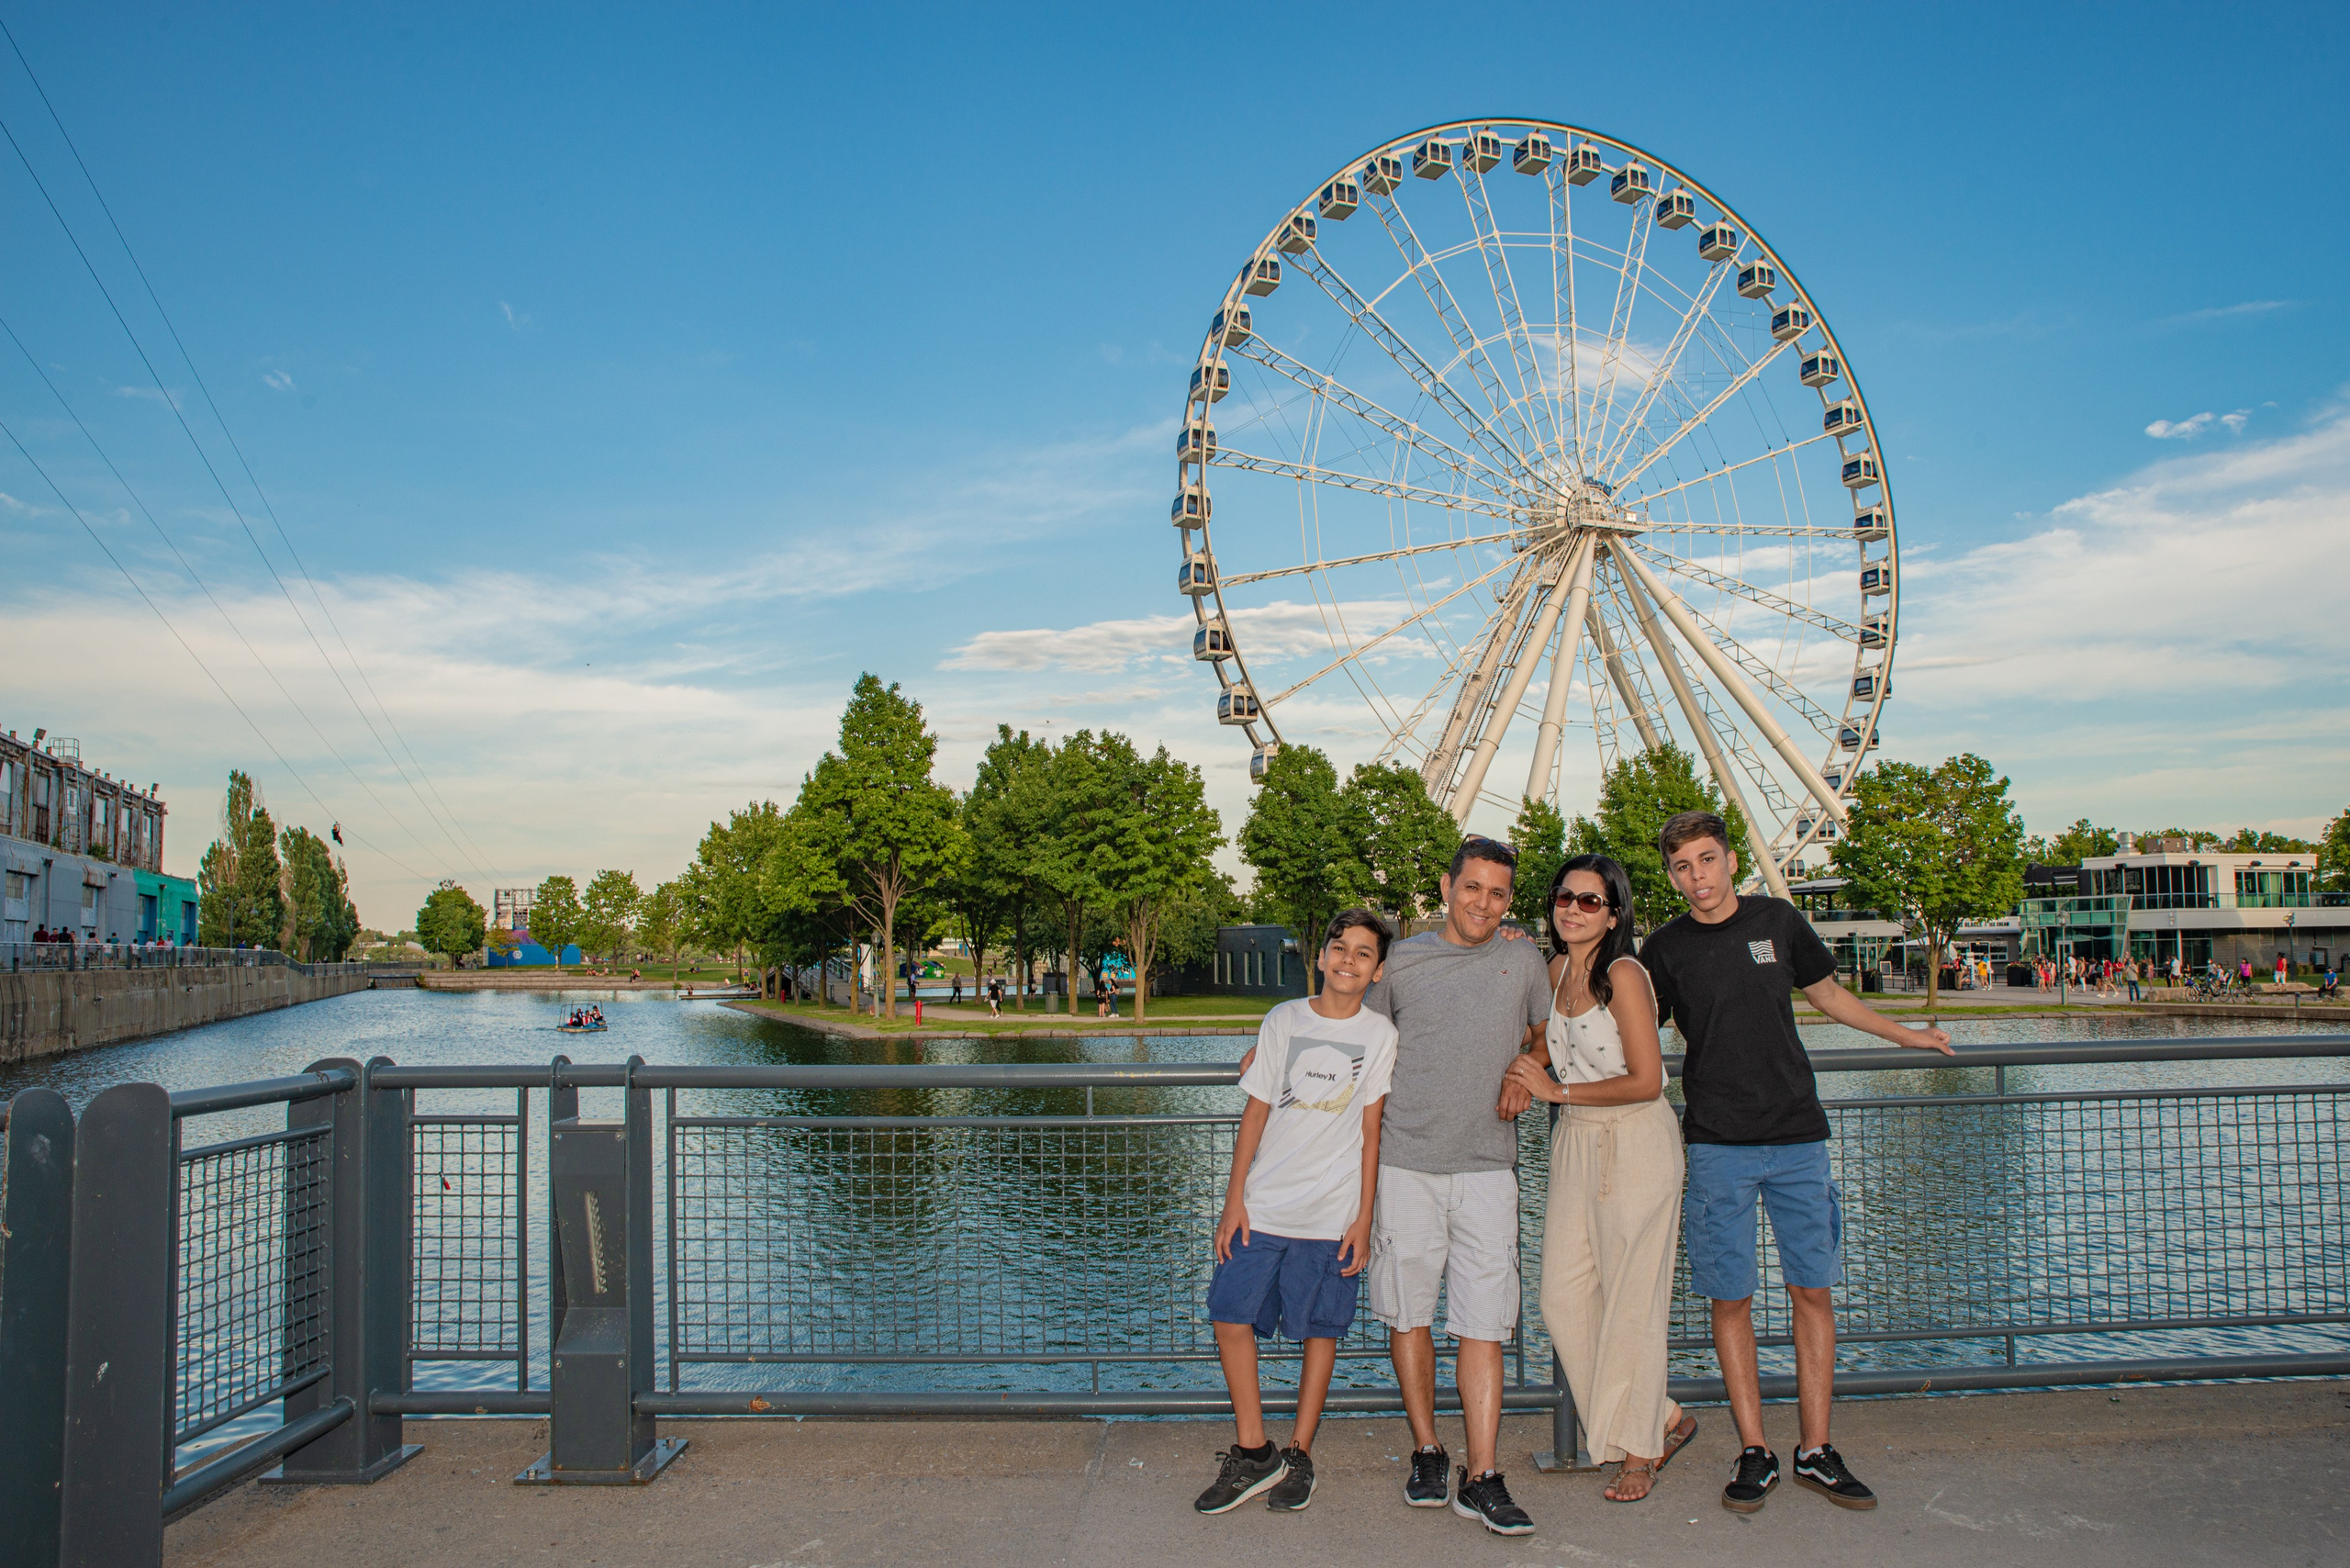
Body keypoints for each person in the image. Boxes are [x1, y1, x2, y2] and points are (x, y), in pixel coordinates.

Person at [1639, 811, 1953, 1515]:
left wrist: (1906, 1038)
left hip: (1798, 1136)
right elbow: (1630, 1027)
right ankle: (1755, 1448)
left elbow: (1830, 997)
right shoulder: (1665, 950)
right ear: (1672, 875)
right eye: (1683, 866)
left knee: (1814, 1290)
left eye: (1708, 860)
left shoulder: (1778, 921)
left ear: (1730, 860)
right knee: (1732, 1298)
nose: (1699, 877)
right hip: (1717, 1142)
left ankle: (1815, 1449)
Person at [1357, 835, 1552, 1536]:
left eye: (1498, 893)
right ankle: (1428, 1450)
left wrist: (1522, 1070)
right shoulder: (1402, 962)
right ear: (1447, 886)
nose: (1485, 904)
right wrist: (1274, 1039)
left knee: (1482, 1321)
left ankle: (1484, 1473)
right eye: (1473, 888)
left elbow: (1543, 1035)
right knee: (1409, 1313)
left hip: (1487, 1167)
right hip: (1406, 1164)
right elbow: (1357, 1038)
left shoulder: (1523, 958)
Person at [1504, 854, 1697, 1503]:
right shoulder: (1555, 969)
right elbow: (1547, 1043)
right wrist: (1524, 1074)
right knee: (1562, 1298)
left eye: (1591, 902)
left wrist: (1556, 1092)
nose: (1574, 910)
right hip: (1577, 1143)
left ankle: (1638, 1451)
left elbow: (1647, 1079)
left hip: (1636, 1140)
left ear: (1615, 913)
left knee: (1633, 1304)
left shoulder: (1624, 975)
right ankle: (1661, 1415)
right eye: (1565, 897)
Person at [1194, 911, 1397, 1516]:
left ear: (1377, 970)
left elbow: (1371, 1131)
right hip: (1265, 1206)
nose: (1348, 960)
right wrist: (1234, 1200)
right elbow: (1254, 1114)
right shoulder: (1283, 1019)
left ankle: (1300, 1452)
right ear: (1320, 955)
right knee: (1229, 1315)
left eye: (1363, 954)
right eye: (1339, 948)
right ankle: (1255, 1451)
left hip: (1331, 1214)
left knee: (1320, 1330)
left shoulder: (1379, 1035)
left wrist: (1363, 1217)